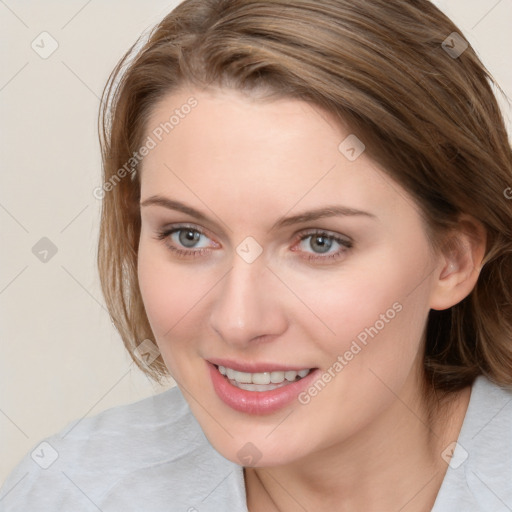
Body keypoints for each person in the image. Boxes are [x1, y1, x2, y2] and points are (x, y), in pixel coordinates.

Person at [2, 0, 511, 510]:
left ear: (453, 260)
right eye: (188, 236)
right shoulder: (69, 491)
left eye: (319, 242)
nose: (239, 322)